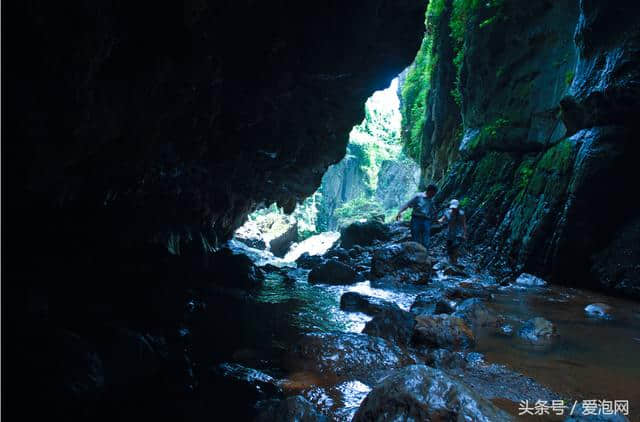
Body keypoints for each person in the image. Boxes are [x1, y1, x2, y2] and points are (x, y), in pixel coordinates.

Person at [395, 184, 438, 249]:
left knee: (426, 237)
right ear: (429, 191)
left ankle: (425, 253)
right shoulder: (418, 196)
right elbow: (408, 204)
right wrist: (399, 212)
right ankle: (416, 252)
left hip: (426, 220)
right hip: (416, 219)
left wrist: (436, 220)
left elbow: (433, 211)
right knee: (415, 236)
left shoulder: (431, 200)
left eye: (434, 194)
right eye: (433, 194)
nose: (433, 195)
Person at [438, 199, 467, 265]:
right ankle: (450, 261)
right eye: (452, 208)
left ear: (458, 207)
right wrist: (437, 221)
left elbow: (464, 224)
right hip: (449, 233)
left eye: (455, 208)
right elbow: (442, 219)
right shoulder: (447, 212)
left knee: (455, 247)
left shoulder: (461, 214)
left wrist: (464, 234)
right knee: (449, 247)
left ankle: (455, 262)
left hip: (458, 233)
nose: (454, 209)